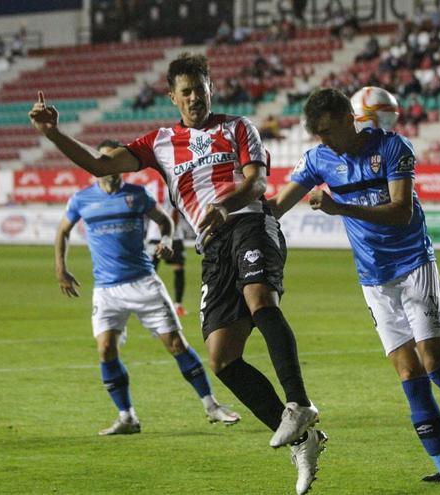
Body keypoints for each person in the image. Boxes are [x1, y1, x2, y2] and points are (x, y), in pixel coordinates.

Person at [31, 53, 325, 495]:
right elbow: (99, 166)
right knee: (223, 358)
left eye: (200, 88)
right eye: (185, 91)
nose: (194, 97)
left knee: (260, 298)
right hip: (213, 246)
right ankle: (304, 442)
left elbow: (258, 182)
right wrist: (53, 133)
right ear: (172, 97)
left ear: (211, 89)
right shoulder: (159, 142)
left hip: (247, 221)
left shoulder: (237, 126)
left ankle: (299, 404)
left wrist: (225, 207)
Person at [269, 88, 440, 495]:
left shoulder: (394, 148)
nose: (322, 140)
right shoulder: (319, 158)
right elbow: (275, 206)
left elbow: (402, 212)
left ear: (349, 118)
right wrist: (234, 217)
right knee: (409, 374)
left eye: (327, 131)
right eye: (316, 134)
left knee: (437, 365)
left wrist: (339, 208)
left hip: (415, 265)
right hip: (374, 280)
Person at [54, 139, 240, 435]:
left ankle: (211, 405)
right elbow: (62, 232)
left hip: (143, 283)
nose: (110, 168)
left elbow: (164, 221)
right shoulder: (81, 200)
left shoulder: (136, 195)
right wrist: (61, 269)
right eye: (104, 161)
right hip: (106, 290)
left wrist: (165, 242)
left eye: (115, 161)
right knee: (105, 350)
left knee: (176, 344)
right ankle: (127, 417)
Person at [146, 202, 189, 317]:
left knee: (178, 269)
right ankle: (151, 304)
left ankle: (177, 305)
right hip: (155, 236)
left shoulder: (172, 187)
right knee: (150, 272)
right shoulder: (150, 187)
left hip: (173, 236)